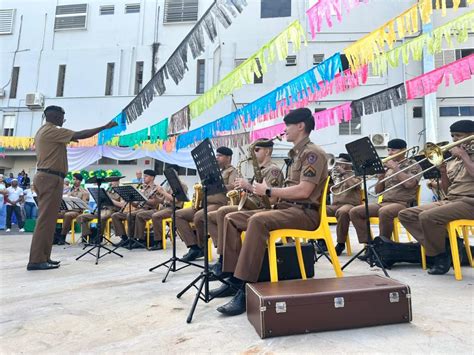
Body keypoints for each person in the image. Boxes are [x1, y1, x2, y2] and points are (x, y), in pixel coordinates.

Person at [216, 107, 328, 316]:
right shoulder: (296, 154)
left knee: (258, 221)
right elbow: (279, 195)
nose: (284, 130)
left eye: (288, 125)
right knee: (231, 218)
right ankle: (231, 277)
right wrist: (262, 191)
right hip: (287, 208)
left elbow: (304, 191)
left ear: (300, 126)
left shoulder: (313, 154)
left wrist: (268, 189)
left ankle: (244, 287)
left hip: (305, 213)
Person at [27, 105, 117, 271]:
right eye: (63, 117)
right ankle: (36, 260)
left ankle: (44, 257)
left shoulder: (47, 131)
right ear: (55, 117)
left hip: (49, 177)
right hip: (50, 178)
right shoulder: (51, 130)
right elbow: (80, 135)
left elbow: (73, 138)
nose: (64, 120)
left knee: (49, 221)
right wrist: (104, 127)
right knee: (45, 221)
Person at [398, 120, 474, 275]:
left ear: (471, 136)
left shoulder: (463, 156)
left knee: (427, 217)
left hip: (470, 202)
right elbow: (446, 189)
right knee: (406, 214)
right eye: (453, 136)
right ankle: (444, 248)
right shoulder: (454, 160)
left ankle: (439, 256)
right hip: (451, 200)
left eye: (458, 136)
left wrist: (465, 157)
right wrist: (443, 172)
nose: (454, 140)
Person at [207, 138, 284, 278]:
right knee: (213, 215)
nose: (253, 154)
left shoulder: (274, 170)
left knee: (224, 212)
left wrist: (248, 186)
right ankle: (224, 258)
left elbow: (272, 200)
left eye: (257, 150)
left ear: (267, 151)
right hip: (253, 206)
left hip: (264, 210)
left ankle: (227, 264)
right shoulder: (259, 170)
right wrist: (244, 189)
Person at [348, 138, 422, 260]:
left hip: (403, 203)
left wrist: (396, 168)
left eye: (393, 150)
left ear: (403, 150)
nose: (389, 153)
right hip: (385, 202)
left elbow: (410, 184)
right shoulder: (387, 167)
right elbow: (378, 191)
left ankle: (383, 247)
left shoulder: (413, 165)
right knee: (355, 211)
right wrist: (380, 177)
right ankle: (370, 246)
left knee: (385, 212)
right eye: (388, 150)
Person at [175, 146, 237, 262]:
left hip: (219, 204)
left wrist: (218, 185)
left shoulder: (232, 171)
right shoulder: (212, 171)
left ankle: (215, 251)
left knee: (200, 216)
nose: (216, 157)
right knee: (178, 214)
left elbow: (234, 186)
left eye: (220, 156)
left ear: (228, 158)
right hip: (204, 203)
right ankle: (194, 247)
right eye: (216, 155)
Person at [134, 167, 188, 249]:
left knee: (156, 216)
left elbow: (176, 200)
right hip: (163, 208)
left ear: (177, 174)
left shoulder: (182, 185)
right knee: (140, 215)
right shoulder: (167, 186)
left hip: (173, 209)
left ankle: (159, 242)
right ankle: (141, 240)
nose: (169, 177)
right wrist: (156, 197)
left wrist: (162, 192)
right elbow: (162, 201)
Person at [111, 169, 160, 247]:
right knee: (115, 215)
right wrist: (130, 200)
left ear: (152, 178)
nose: (144, 178)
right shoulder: (142, 188)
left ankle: (139, 240)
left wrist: (143, 198)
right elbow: (136, 205)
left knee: (132, 215)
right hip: (139, 209)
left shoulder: (157, 188)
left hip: (151, 210)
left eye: (146, 176)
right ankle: (125, 239)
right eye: (144, 176)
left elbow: (155, 203)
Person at [326, 153, 362, 256]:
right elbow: (328, 189)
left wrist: (344, 174)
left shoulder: (357, 174)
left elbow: (353, 186)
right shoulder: (336, 175)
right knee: (317, 210)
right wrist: (326, 175)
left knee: (342, 212)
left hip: (351, 205)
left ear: (348, 164)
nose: (338, 165)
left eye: (341, 163)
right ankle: (321, 241)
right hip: (335, 205)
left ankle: (340, 244)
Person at [76, 179, 125, 244]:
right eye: (110, 181)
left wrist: (111, 201)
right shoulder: (107, 190)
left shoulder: (121, 191)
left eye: (113, 181)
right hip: (100, 210)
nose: (111, 182)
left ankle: (99, 237)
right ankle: (90, 235)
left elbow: (122, 205)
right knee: (81, 217)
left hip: (112, 210)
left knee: (102, 217)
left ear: (118, 182)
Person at [55, 173, 90, 245]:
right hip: (67, 209)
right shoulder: (70, 190)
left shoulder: (84, 191)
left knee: (67, 215)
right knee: (54, 214)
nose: (73, 181)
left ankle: (62, 237)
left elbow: (84, 205)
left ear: (79, 181)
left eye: (74, 179)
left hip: (78, 211)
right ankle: (54, 236)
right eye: (73, 179)